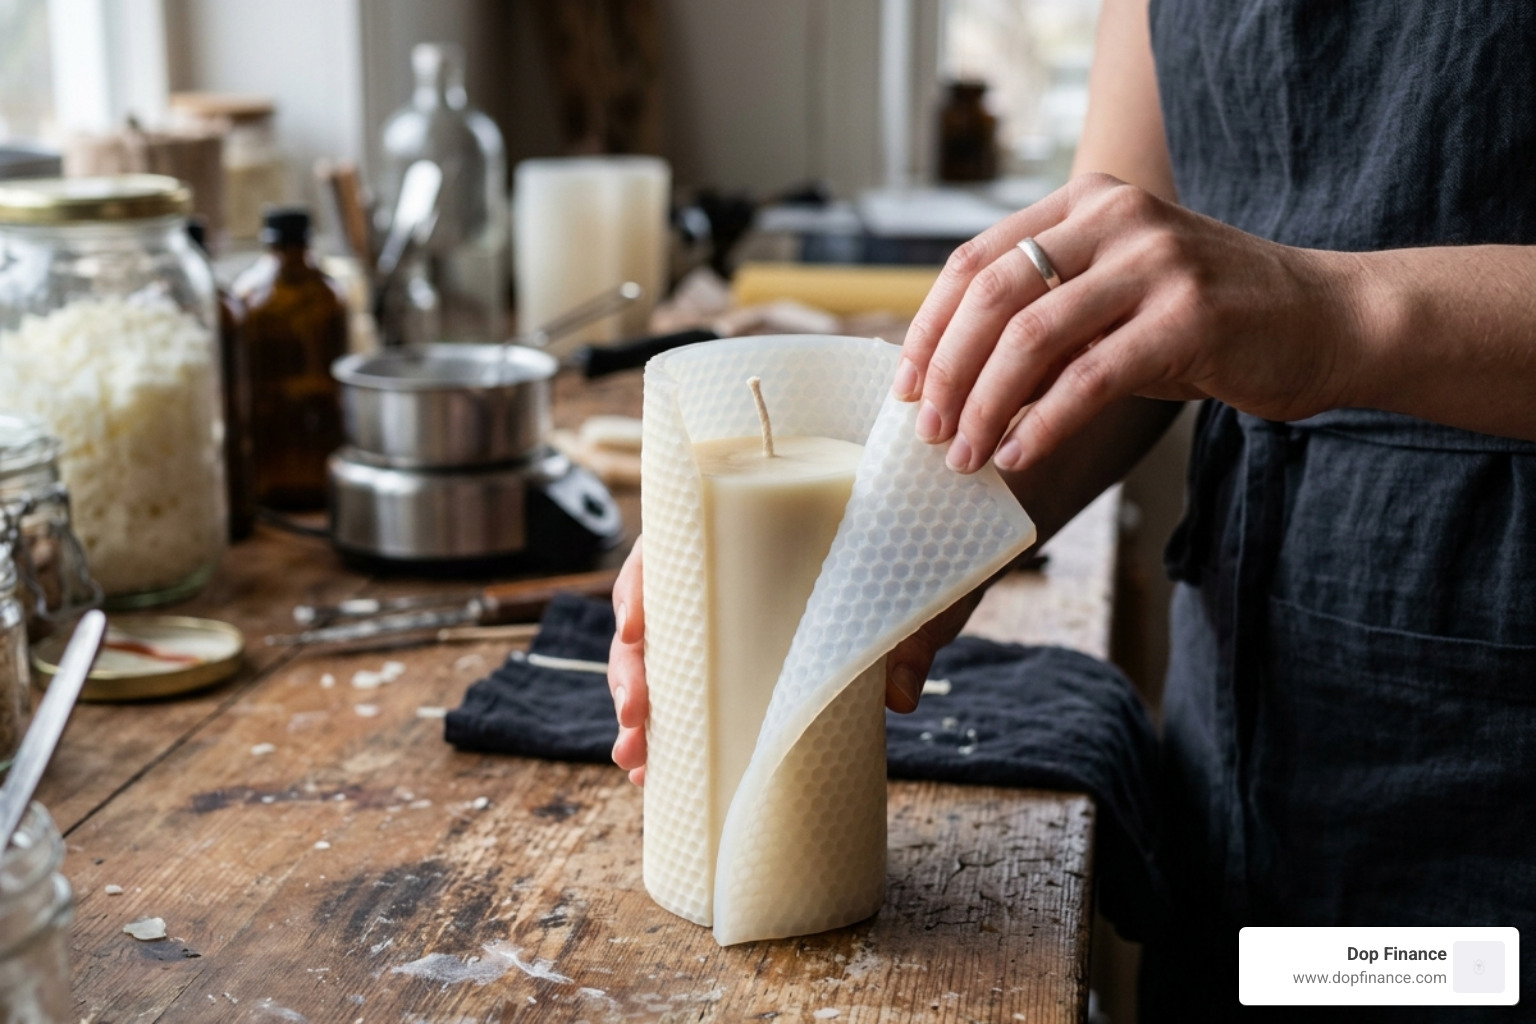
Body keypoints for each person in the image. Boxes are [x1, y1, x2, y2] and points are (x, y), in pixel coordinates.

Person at [609, 0, 1536, 1017]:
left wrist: (1338, 315)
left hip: (1495, 761)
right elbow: (1133, 332)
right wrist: (897, 534)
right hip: (1248, 730)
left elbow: (1267, 305)